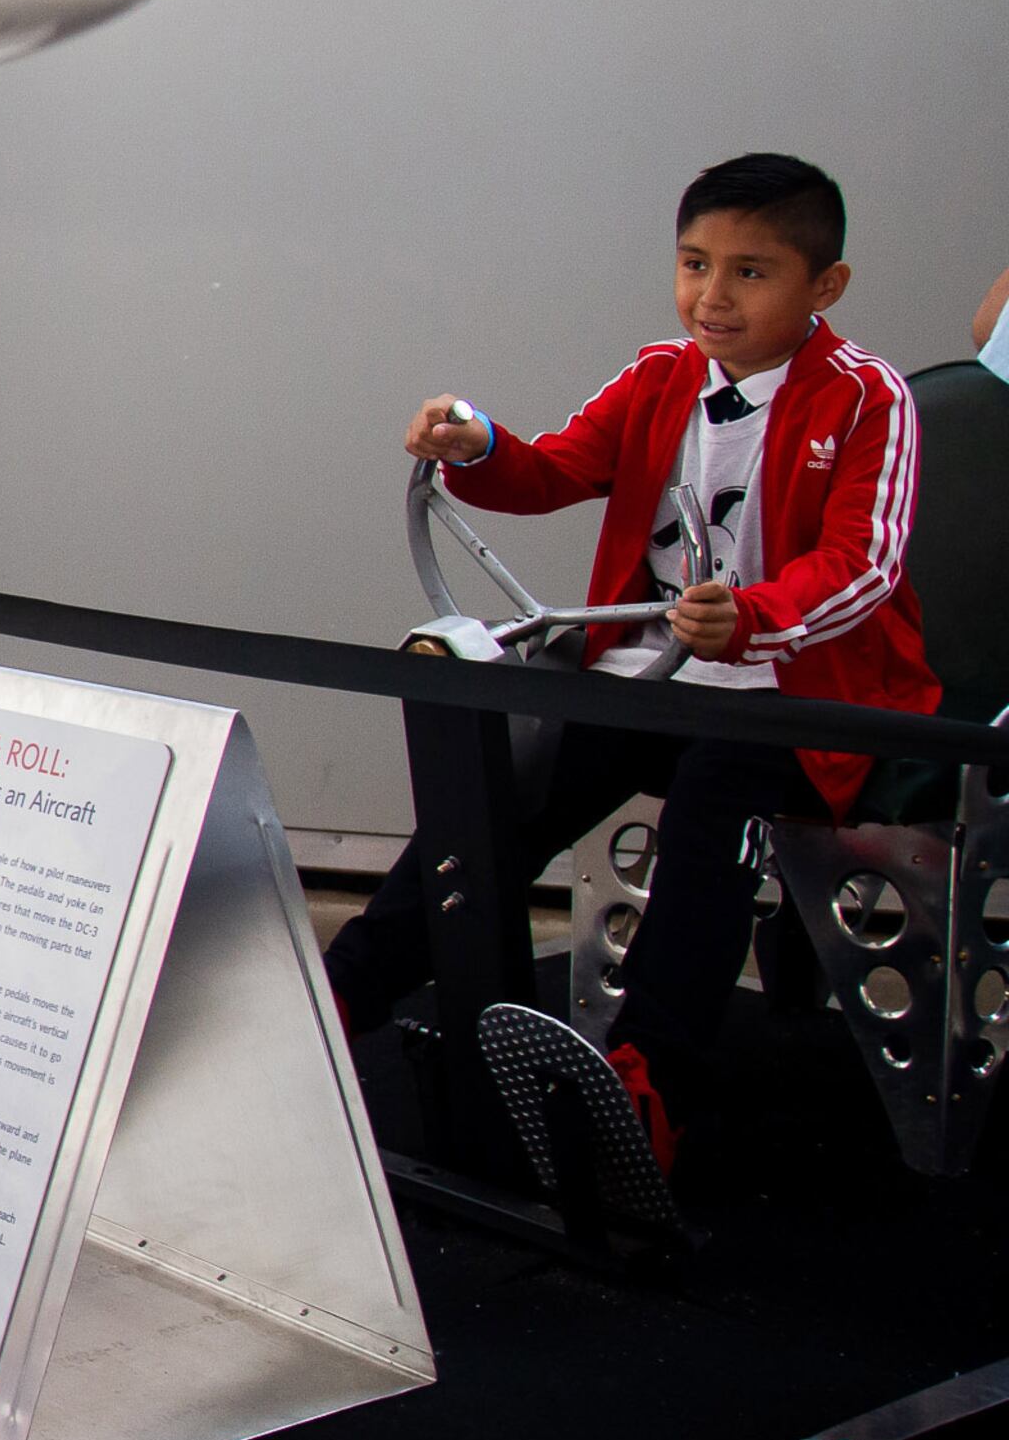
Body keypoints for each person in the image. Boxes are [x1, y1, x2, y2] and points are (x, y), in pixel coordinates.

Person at [327, 152, 936, 1169]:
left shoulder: (868, 400)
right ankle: (344, 993)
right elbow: (558, 468)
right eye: (695, 263)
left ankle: (650, 1079)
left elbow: (861, 568)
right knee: (502, 781)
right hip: (652, 682)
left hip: (801, 699)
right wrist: (478, 444)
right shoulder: (660, 377)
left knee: (714, 803)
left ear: (823, 286)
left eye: (751, 271)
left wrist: (750, 617)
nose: (713, 295)